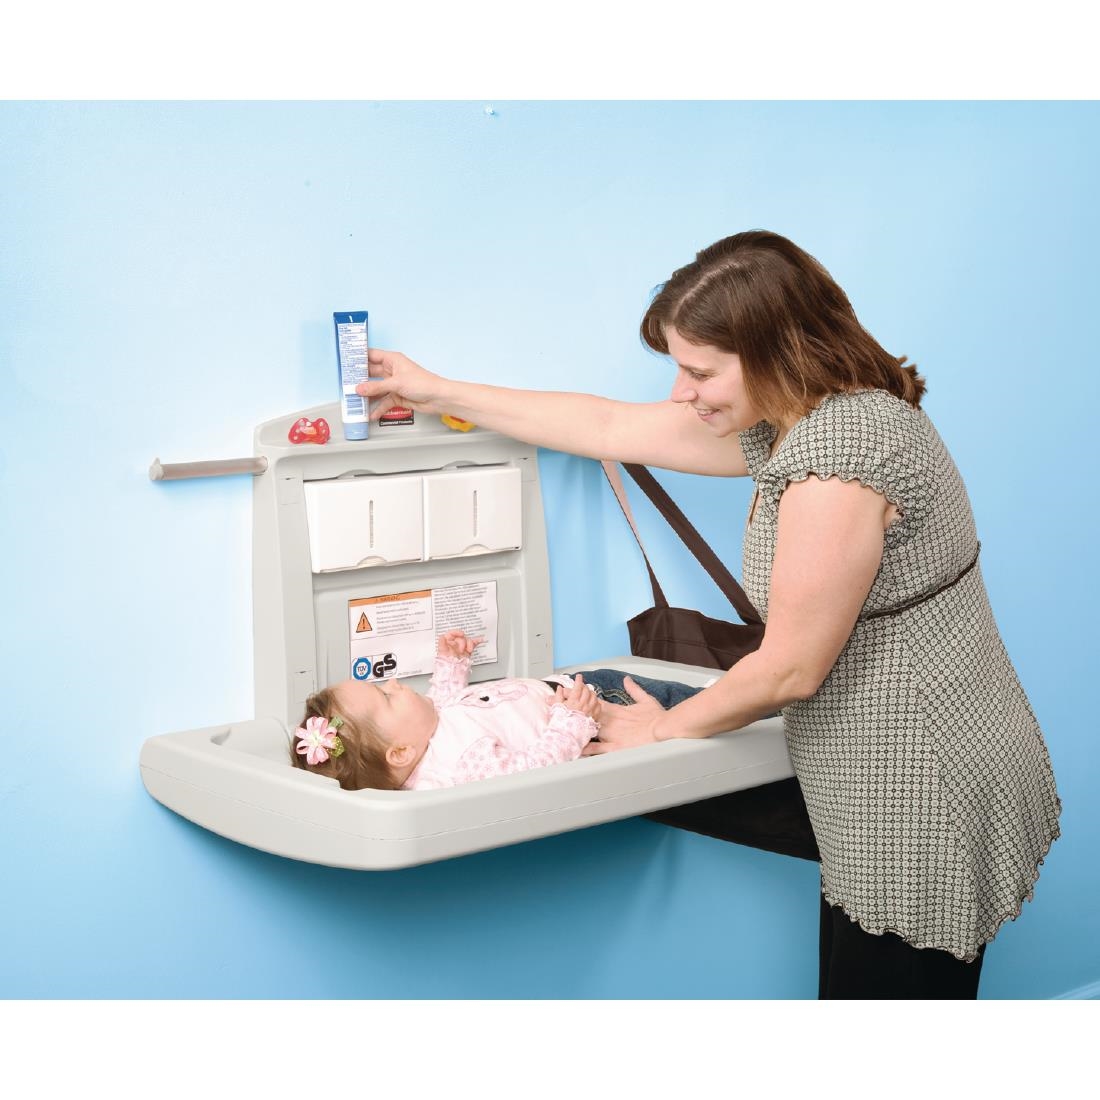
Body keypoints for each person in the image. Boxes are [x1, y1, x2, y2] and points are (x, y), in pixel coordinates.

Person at [356, 229, 1061, 999]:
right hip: (901, 747)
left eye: (698, 371)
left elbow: (789, 669)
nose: (679, 392)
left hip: (921, 778)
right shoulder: (806, 420)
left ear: (775, 351)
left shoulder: (841, 462)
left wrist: (660, 730)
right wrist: (435, 391)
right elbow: (607, 428)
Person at [290, 629, 703, 792]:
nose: (394, 683)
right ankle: (734, 704)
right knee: (695, 707)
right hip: (601, 708)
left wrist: (452, 664)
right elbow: (533, 769)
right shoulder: (462, 765)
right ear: (399, 752)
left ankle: (729, 699)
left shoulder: (425, 739)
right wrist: (573, 722)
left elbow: (443, 705)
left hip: (573, 690)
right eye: (386, 697)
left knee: (696, 701)